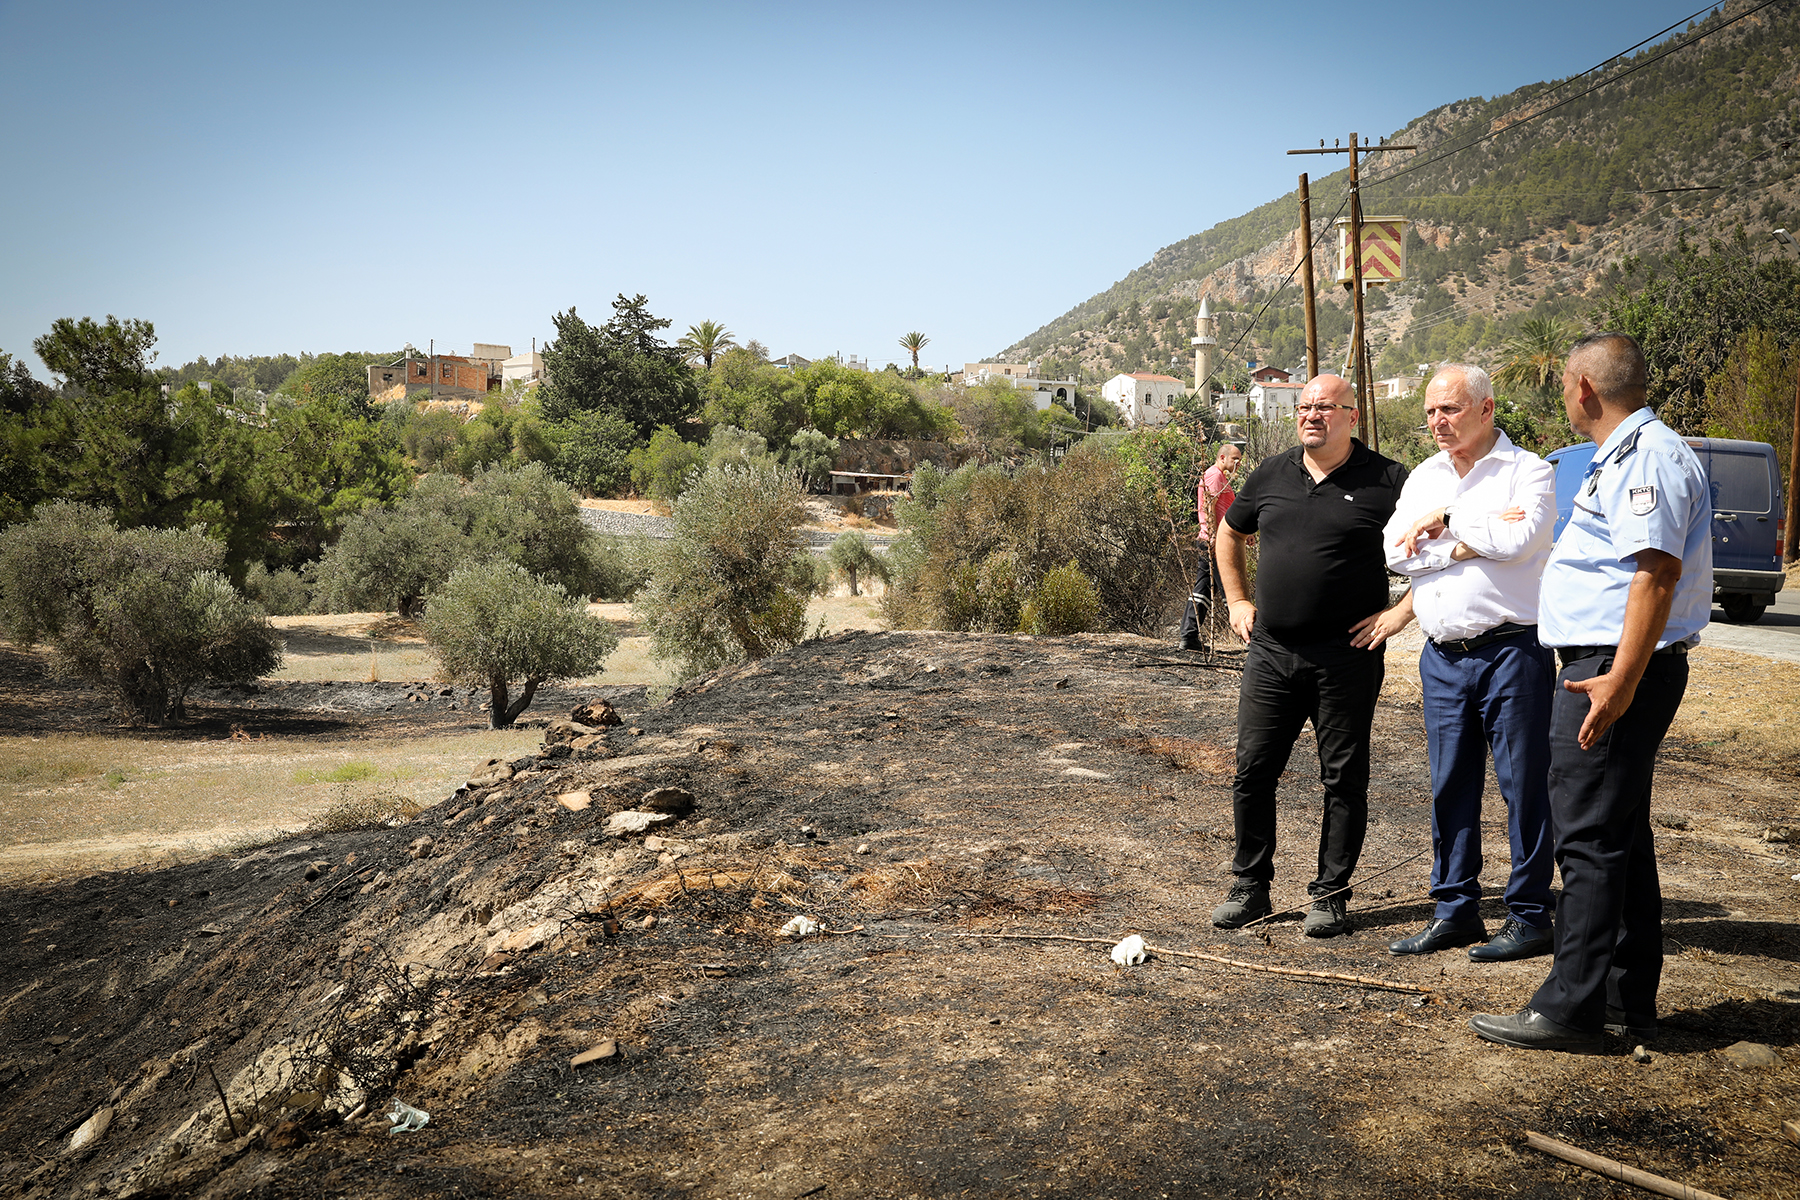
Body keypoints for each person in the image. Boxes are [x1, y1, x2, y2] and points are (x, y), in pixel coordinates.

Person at [1470, 332, 1711, 1051]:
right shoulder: (1630, 453)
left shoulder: (1647, 456)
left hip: (1610, 667)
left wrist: (1620, 680)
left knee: (1587, 838)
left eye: (1564, 386)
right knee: (1619, 834)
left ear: (1583, 388)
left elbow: (1656, 573)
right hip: (1608, 662)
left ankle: (1569, 1008)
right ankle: (1623, 997)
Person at [1210, 374, 1410, 937]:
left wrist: (1400, 613)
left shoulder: (1390, 480)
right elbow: (1229, 534)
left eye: (1324, 407)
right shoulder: (1271, 473)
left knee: (1343, 779)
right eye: (1304, 407)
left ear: (1352, 416)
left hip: (1347, 657)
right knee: (1253, 771)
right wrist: (1237, 600)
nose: (1311, 416)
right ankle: (1250, 886)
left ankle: (1331, 893)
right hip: (1271, 652)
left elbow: (1438, 551)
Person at [1381, 364, 1558, 962]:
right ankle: (1455, 911)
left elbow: (1521, 541)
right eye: (1430, 411)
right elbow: (1394, 554)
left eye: (1450, 409)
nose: (1437, 421)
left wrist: (1446, 524)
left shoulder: (1528, 471)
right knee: (1449, 784)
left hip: (1512, 653)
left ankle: (1529, 915)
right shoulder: (1424, 476)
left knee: (1523, 786)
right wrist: (1465, 547)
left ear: (1486, 409)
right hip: (1442, 658)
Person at [1179, 443, 1243, 651]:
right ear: (1222, 457)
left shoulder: (1221, 477)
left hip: (1217, 540)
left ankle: (1189, 636)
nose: (1238, 463)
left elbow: (1226, 510)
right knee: (1231, 589)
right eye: (1235, 459)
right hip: (1215, 542)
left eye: (1240, 460)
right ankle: (1250, 637)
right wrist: (1214, 538)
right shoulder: (1214, 475)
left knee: (1204, 589)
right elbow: (1209, 507)